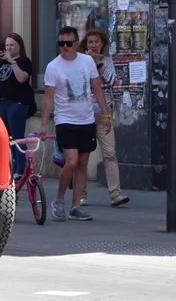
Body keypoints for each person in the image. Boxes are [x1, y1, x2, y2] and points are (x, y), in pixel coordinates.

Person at [40, 26, 111, 222]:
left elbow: (97, 89)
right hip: (65, 120)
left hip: (86, 120)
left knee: (82, 163)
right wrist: (44, 124)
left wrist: (106, 115)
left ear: (76, 42)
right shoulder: (53, 67)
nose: (65, 47)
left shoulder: (87, 61)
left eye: (69, 43)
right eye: (61, 43)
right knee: (71, 162)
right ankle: (59, 200)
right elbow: (48, 98)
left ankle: (76, 206)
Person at [79, 29, 130, 208]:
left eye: (97, 42)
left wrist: (98, 63)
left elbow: (111, 81)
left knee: (109, 153)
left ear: (102, 44)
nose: (93, 45)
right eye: (90, 42)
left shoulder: (107, 62)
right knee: (82, 156)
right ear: (85, 44)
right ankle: (81, 195)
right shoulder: (80, 62)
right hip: (84, 113)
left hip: (103, 114)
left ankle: (115, 194)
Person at [0, 33, 34, 178]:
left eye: (12, 45)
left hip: (18, 102)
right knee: (6, 137)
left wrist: (13, 62)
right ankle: (10, 167)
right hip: (3, 102)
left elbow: (22, 78)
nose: (9, 48)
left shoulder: (24, 61)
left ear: (19, 46)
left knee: (17, 136)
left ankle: (20, 169)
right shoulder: (2, 62)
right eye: (7, 45)